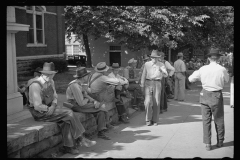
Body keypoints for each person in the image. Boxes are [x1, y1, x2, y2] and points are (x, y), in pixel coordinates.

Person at [26, 62, 96, 155]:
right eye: (48, 74)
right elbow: (37, 106)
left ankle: (69, 147)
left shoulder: (51, 81)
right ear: (43, 74)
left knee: (66, 120)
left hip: (51, 108)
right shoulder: (35, 85)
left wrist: (53, 106)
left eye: (51, 74)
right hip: (40, 113)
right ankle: (81, 139)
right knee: (69, 113)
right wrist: (48, 109)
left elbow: (55, 96)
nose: (50, 76)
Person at [188, 49, 229, 151]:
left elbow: (190, 79)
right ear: (218, 58)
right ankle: (220, 141)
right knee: (219, 119)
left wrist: (201, 79)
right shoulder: (222, 69)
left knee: (206, 120)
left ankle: (208, 143)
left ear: (208, 58)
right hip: (216, 94)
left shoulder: (203, 69)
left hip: (205, 93)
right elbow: (227, 80)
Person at [66, 67, 113, 140]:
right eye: (87, 75)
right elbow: (81, 103)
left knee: (100, 110)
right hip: (75, 105)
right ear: (83, 77)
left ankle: (101, 131)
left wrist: (94, 101)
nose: (88, 76)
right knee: (101, 107)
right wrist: (90, 101)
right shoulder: (74, 85)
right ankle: (107, 124)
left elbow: (85, 95)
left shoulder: (79, 83)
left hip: (81, 104)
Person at [140, 50, 168, 126]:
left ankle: (155, 120)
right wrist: (142, 85)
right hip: (148, 82)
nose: (154, 59)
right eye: (153, 58)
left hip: (157, 82)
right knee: (147, 101)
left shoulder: (161, 64)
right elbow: (143, 74)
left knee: (157, 102)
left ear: (158, 58)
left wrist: (162, 71)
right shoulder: (147, 64)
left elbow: (166, 75)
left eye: (156, 58)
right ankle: (148, 119)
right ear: (151, 57)